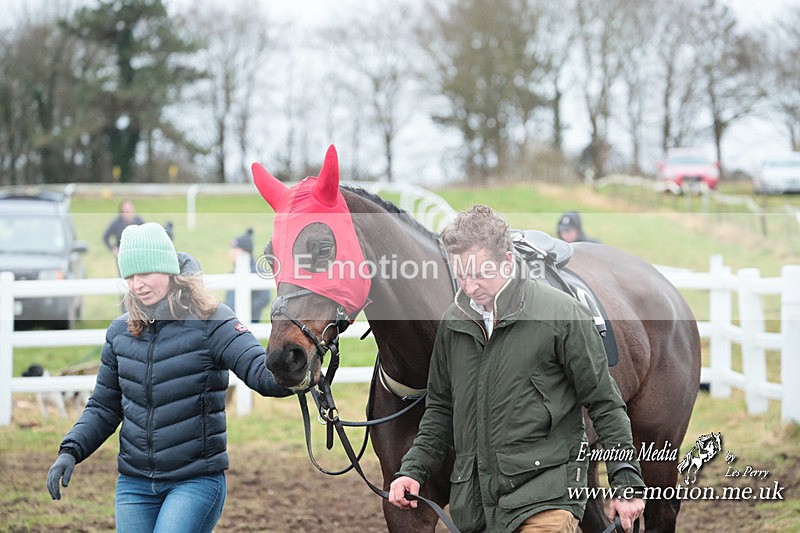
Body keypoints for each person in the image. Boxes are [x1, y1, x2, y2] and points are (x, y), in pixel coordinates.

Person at [388, 205, 645, 532]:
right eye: (461, 275)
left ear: (507, 262)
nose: (470, 287)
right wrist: (412, 470)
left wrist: (626, 482)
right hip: (477, 507)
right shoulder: (453, 324)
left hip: (548, 498)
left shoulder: (561, 314)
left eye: (480, 273)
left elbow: (604, 403)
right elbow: (440, 409)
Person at [46, 222, 292, 533]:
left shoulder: (213, 321)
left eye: (145, 274)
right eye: (130, 276)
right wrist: (70, 450)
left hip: (195, 481)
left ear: (168, 270)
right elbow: (104, 407)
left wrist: (298, 366)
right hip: (134, 484)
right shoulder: (120, 333)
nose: (137, 284)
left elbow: (261, 373)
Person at [224, 228, 271, 323]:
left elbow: (264, 298)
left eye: (235, 249)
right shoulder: (233, 273)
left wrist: (244, 309)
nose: (231, 253)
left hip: (250, 322)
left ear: (245, 251)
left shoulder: (257, 273)